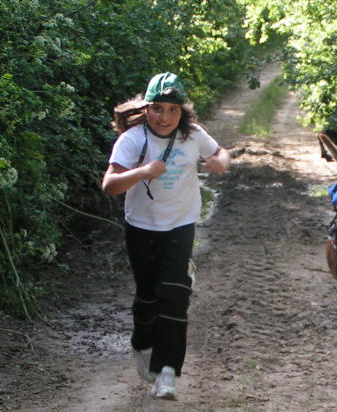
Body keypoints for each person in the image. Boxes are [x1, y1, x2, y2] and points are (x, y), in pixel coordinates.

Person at [101, 72, 231, 400]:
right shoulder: (133, 139)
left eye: (172, 110)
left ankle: (168, 373)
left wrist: (219, 161)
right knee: (148, 296)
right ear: (146, 110)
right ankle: (141, 343)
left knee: (174, 294)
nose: (165, 117)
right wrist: (144, 171)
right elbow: (110, 185)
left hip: (180, 224)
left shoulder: (193, 135)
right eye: (158, 109)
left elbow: (221, 153)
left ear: (181, 112)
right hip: (142, 226)